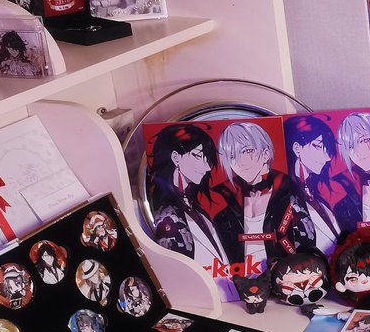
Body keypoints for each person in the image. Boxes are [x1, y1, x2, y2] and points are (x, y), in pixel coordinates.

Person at [216, 121, 315, 273]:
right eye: (232, 156)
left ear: (265, 153)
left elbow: (309, 241)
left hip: (288, 277)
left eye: (247, 151)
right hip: (242, 279)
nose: (239, 162)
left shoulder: (290, 193)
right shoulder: (225, 205)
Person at [148, 123, 236, 269]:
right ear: (176, 157)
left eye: (206, 159)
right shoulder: (167, 216)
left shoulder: (192, 206)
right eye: (198, 156)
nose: (207, 167)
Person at [284, 115, 357, 253]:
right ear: (297, 148)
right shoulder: (286, 203)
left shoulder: (318, 200)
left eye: (326, 149)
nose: (327, 157)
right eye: (318, 146)